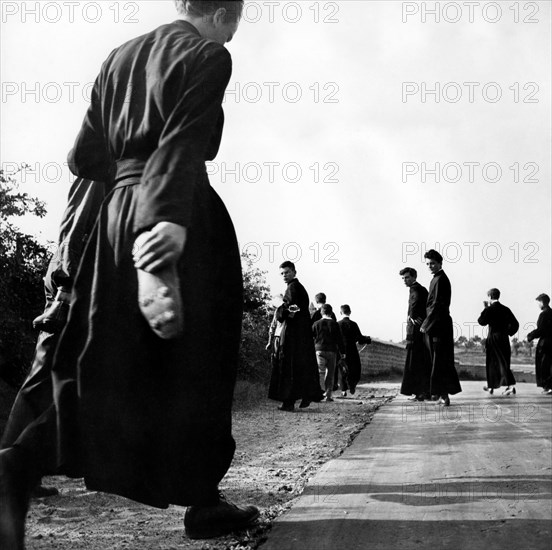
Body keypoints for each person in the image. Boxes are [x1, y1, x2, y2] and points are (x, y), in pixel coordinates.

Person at [1, 1, 259, 547]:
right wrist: (163, 231)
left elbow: (82, 156)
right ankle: (203, 501)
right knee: (199, 361)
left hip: (111, 215)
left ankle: (16, 461)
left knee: (93, 348)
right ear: (226, 15)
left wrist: (125, 181)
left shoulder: (118, 56)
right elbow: (183, 142)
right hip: (178, 211)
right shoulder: (208, 54)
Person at [0, 177, 104, 503]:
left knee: (44, 376)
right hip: (71, 276)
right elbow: (75, 230)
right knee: (56, 377)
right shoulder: (101, 164)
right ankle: (11, 466)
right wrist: (66, 288)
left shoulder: (97, 164)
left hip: (67, 272)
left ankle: (17, 470)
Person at [268, 262, 322, 411]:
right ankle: (301, 397)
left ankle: (290, 401)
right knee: (299, 365)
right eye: (282, 273)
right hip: (301, 333)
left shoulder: (292, 287)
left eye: (287, 272)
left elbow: (291, 308)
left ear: (294, 272)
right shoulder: (297, 287)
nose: (284, 275)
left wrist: (279, 306)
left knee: (289, 365)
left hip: (294, 334)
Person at [420, 250, 462, 406]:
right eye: (427, 264)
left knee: (439, 360)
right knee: (439, 360)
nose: (430, 266)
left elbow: (437, 306)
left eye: (432, 263)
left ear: (439, 263)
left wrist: (425, 325)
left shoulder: (440, 280)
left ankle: (443, 395)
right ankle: (440, 394)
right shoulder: (436, 279)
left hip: (439, 325)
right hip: (437, 324)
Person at [477, 288, 519, 396]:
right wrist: (508, 332)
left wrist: (486, 308)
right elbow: (515, 324)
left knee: (493, 363)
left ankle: (510, 386)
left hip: (493, 339)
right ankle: (491, 386)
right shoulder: (506, 309)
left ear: (490, 297)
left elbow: (481, 321)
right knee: (503, 362)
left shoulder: (490, 309)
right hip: (504, 339)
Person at [398, 268, 431, 401]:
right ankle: (423, 392)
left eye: (406, 277)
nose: (404, 280)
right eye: (403, 278)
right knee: (420, 362)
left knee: (415, 362)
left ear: (413, 277)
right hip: (420, 331)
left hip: (416, 332)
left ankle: (420, 393)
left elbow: (415, 303)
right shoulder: (420, 289)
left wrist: (412, 315)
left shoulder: (415, 289)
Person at [312, 304, 345, 402]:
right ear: (331, 313)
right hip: (332, 351)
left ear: (321, 312)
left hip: (319, 350)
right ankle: (328, 396)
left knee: (320, 372)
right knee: (330, 374)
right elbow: (340, 340)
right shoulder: (335, 324)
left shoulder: (316, 324)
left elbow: (311, 337)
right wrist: (343, 352)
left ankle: (319, 393)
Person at [338, 304, 371, 396]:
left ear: (340, 312)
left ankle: (343, 389)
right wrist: (367, 339)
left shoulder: (338, 324)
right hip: (352, 350)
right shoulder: (353, 324)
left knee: (342, 369)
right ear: (350, 312)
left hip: (341, 351)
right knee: (355, 368)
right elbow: (360, 339)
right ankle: (352, 385)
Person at [527, 293, 552, 394]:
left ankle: (548, 386)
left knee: (544, 365)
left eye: (538, 303)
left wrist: (530, 335)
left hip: (545, 343)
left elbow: (541, 330)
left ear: (542, 302)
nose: (538, 305)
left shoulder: (543, 314)